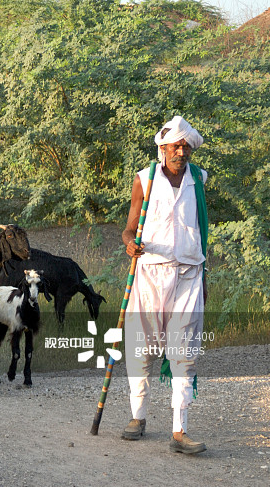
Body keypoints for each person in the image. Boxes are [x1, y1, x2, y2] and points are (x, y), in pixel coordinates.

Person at [121, 115, 208, 454]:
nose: (181, 151)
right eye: (175, 145)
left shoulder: (199, 180)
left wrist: (206, 277)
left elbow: (201, 230)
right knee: (140, 347)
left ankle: (180, 430)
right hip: (149, 273)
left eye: (186, 146)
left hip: (189, 275)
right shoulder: (145, 179)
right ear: (163, 148)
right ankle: (138, 416)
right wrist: (130, 243)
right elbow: (129, 228)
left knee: (184, 351)